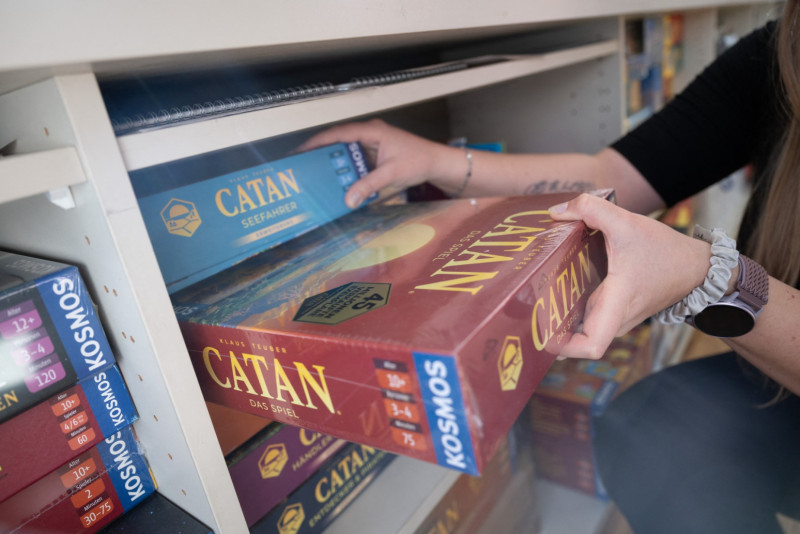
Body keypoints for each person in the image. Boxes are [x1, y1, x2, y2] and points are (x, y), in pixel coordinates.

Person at [300, 4, 800, 532]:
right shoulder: (776, 55)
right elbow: (611, 175)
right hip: (772, 375)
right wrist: (436, 161)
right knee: (648, 433)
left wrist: (710, 276)